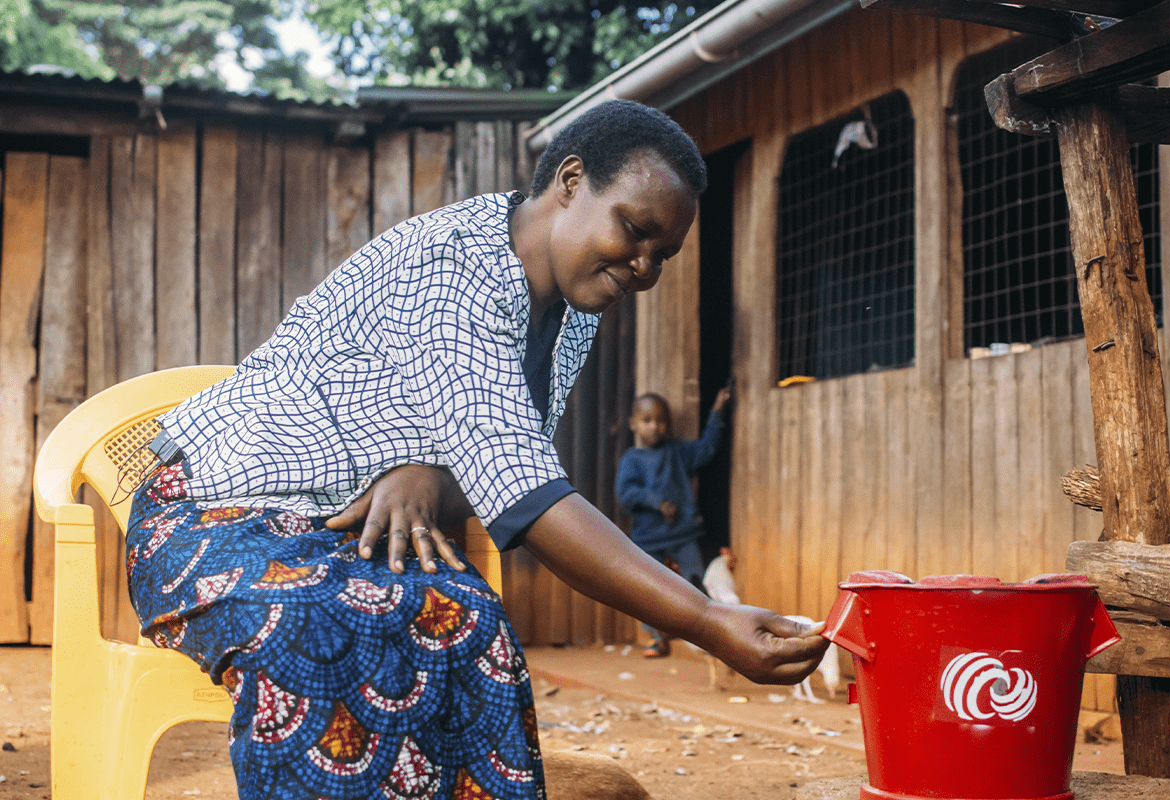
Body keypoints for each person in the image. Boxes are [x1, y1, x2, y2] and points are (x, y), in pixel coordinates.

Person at [124, 99, 830, 800]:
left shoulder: (568, 311)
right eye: (636, 231)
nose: (645, 268)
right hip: (212, 517)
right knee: (307, 623)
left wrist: (429, 473)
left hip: (341, 534)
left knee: (467, 621)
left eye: (663, 254)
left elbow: (492, 461)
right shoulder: (454, 262)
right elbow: (527, 496)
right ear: (572, 181)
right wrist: (705, 619)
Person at [615, 388, 732, 657]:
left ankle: (704, 631)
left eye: (660, 421)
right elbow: (625, 494)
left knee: (696, 581)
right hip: (647, 539)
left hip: (683, 533)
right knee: (647, 586)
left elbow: (706, 449)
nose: (654, 426)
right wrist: (655, 501)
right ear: (634, 423)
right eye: (646, 420)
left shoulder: (678, 452)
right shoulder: (631, 460)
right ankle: (656, 636)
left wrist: (717, 412)